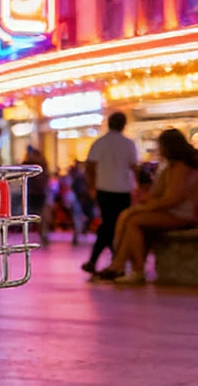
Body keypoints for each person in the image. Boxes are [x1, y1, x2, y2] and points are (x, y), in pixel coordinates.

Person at [94, 128, 198, 285]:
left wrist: (146, 207)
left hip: (183, 215)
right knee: (132, 219)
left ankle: (135, 269)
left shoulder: (180, 167)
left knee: (133, 220)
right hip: (178, 212)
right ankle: (119, 265)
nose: (158, 149)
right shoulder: (175, 166)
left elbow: (173, 199)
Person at [82, 111, 138, 274]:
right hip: (123, 190)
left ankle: (102, 260)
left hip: (104, 189)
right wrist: (137, 187)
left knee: (108, 224)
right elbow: (134, 167)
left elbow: (90, 167)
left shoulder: (99, 143)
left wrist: (92, 187)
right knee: (115, 225)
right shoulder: (128, 144)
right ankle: (115, 260)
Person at [22, 146, 51, 246]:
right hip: (38, 194)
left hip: (34, 194)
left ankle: (42, 235)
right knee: (41, 217)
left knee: (36, 217)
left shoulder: (32, 166)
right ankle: (43, 235)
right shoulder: (42, 167)